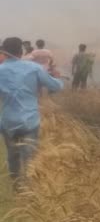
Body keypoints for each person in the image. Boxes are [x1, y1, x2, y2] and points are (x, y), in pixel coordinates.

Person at [0, 37, 63, 189]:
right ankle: (30, 191)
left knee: (12, 155)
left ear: (4, 52)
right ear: (21, 51)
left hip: (8, 121)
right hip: (30, 121)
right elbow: (56, 86)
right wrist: (57, 78)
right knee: (29, 157)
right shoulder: (33, 68)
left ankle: (17, 188)